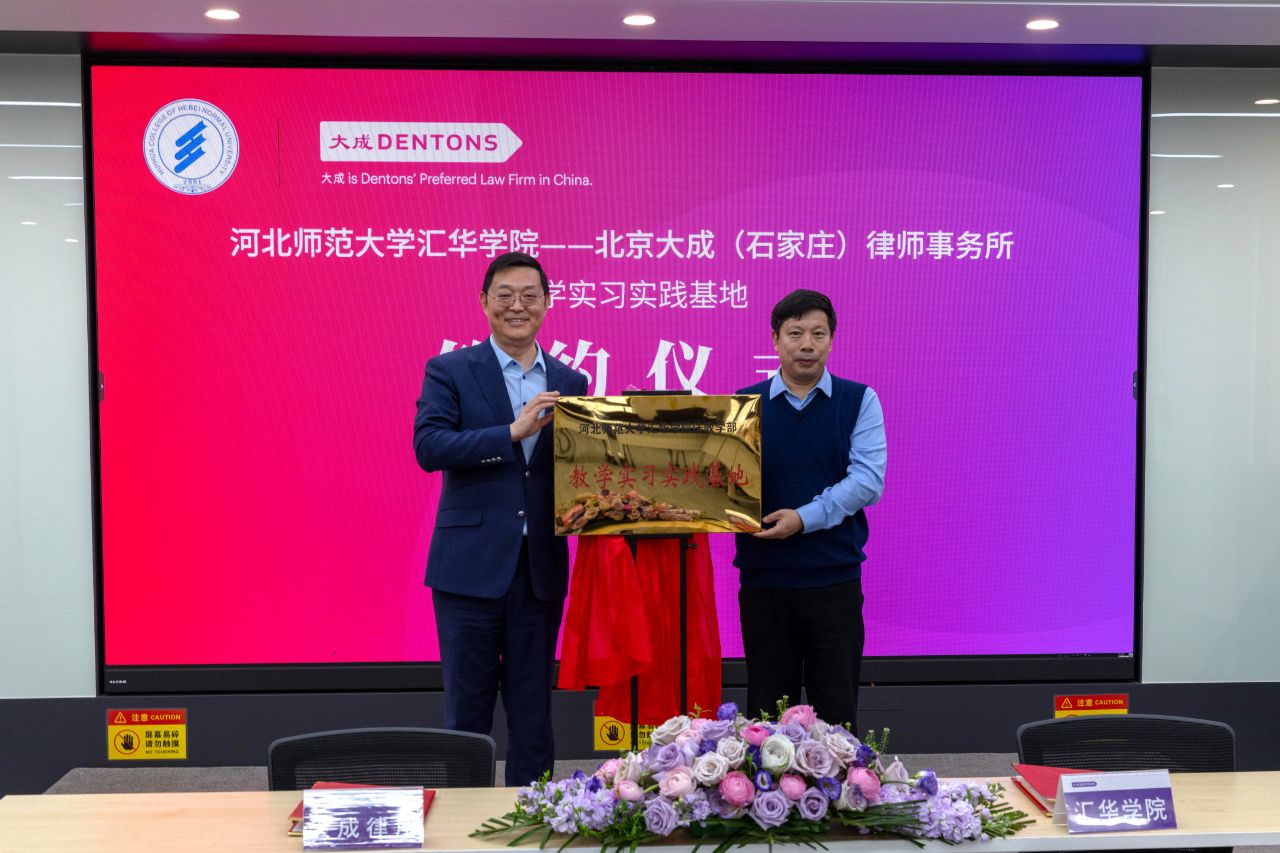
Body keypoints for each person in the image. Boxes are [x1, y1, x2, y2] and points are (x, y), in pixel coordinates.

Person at [413, 251, 588, 786]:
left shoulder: (572, 380)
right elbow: (429, 446)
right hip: (469, 568)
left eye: (529, 296)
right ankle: (464, 821)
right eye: (505, 295)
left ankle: (533, 815)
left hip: (539, 568)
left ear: (547, 303)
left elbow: (577, 469)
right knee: (467, 709)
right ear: (484, 302)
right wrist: (511, 433)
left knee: (533, 711)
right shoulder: (450, 370)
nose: (517, 306)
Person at [734, 289, 886, 731]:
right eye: (795, 333)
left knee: (836, 716)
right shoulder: (744, 405)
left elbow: (867, 481)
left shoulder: (859, 400)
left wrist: (803, 518)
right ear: (775, 339)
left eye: (818, 334)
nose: (807, 344)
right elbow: (728, 481)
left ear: (832, 339)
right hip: (765, 583)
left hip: (834, 581)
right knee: (767, 718)